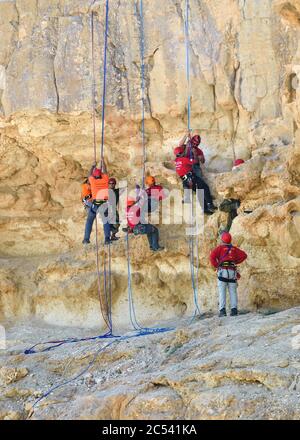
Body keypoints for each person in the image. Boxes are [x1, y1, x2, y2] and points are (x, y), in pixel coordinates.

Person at [210, 232, 247, 317]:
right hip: (232, 272)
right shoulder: (234, 249)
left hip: (222, 271)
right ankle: (234, 311)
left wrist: (217, 266)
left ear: (222, 240)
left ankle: (222, 311)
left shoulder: (219, 248)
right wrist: (235, 261)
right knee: (233, 292)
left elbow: (212, 257)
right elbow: (244, 255)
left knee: (222, 292)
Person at [174, 146, 216, 214]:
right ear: (182, 153)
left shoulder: (176, 161)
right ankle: (210, 204)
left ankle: (205, 210)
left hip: (185, 181)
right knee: (205, 187)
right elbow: (195, 162)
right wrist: (195, 153)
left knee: (199, 192)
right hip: (191, 178)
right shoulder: (183, 159)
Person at [82, 161, 111, 245]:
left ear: (94, 176)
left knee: (90, 220)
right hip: (104, 204)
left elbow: (89, 175)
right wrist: (103, 163)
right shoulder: (105, 180)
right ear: (101, 175)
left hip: (95, 204)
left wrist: (92, 166)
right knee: (106, 221)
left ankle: (86, 239)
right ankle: (107, 239)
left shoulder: (93, 181)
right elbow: (105, 171)